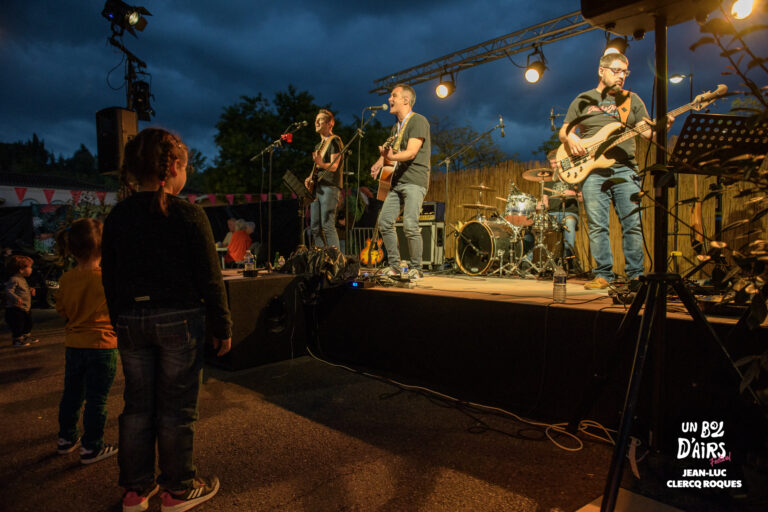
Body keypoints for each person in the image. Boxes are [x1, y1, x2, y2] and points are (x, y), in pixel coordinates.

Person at [102, 128, 232, 512]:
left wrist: (118, 318)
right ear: (173, 166)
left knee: (137, 407)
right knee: (177, 410)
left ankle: (135, 490)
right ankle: (177, 489)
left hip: (131, 320)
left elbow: (110, 275)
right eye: (185, 167)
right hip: (181, 321)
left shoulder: (119, 216)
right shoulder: (190, 214)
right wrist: (222, 326)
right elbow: (210, 278)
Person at [559, 52, 673, 290]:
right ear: (601, 71)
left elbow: (647, 134)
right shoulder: (583, 99)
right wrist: (571, 138)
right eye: (616, 71)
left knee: (633, 224)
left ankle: (635, 276)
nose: (621, 76)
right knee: (597, 225)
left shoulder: (631, 100)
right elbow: (564, 131)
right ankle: (603, 275)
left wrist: (662, 128)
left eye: (625, 72)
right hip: (591, 170)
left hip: (625, 168)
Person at [54, 218, 119, 464]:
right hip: (102, 345)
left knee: (72, 394)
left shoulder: (66, 279)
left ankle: (66, 439)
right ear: (104, 247)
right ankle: (91, 448)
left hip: (74, 345)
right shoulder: (109, 278)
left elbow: (62, 310)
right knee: (96, 399)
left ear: (71, 249)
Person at [370, 83, 431, 280]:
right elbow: (390, 152)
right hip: (396, 182)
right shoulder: (396, 128)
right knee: (384, 222)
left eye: (393, 95)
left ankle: (417, 268)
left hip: (414, 180)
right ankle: (395, 266)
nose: (389, 99)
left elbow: (411, 152)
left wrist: (391, 157)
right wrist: (379, 162)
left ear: (406, 100)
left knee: (410, 224)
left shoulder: (418, 120)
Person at [304, 108, 344, 249]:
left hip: (329, 187)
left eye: (320, 120)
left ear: (330, 123)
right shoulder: (318, 145)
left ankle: (335, 259)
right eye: (316, 120)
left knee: (327, 225)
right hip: (317, 188)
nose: (316, 123)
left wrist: (320, 163)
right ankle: (321, 256)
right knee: (315, 227)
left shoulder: (334, 141)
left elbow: (334, 166)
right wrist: (309, 177)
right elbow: (317, 167)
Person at [544, 149, 582, 273]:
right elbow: (545, 200)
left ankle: (568, 259)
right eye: (552, 163)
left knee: (569, 222)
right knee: (536, 225)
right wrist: (541, 204)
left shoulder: (574, 176)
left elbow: (582, 198)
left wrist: (573, 194)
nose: (554, 166)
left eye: (556, 163)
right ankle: (530, 262)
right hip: (552, 214)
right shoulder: (549, 181)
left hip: (570, 213)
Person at [4, 255, 38, 347]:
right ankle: (17, 340)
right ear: (21, 270)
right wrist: (15, 298)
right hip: (16, 309)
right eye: (29, 267)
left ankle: (26, 337)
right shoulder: (14, 279)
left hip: (25, 307)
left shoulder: (22, 279)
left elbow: (22, 289)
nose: (31, 269)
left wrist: (30, 290)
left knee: (28, 323)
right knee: (18, 325)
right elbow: (8, 290)